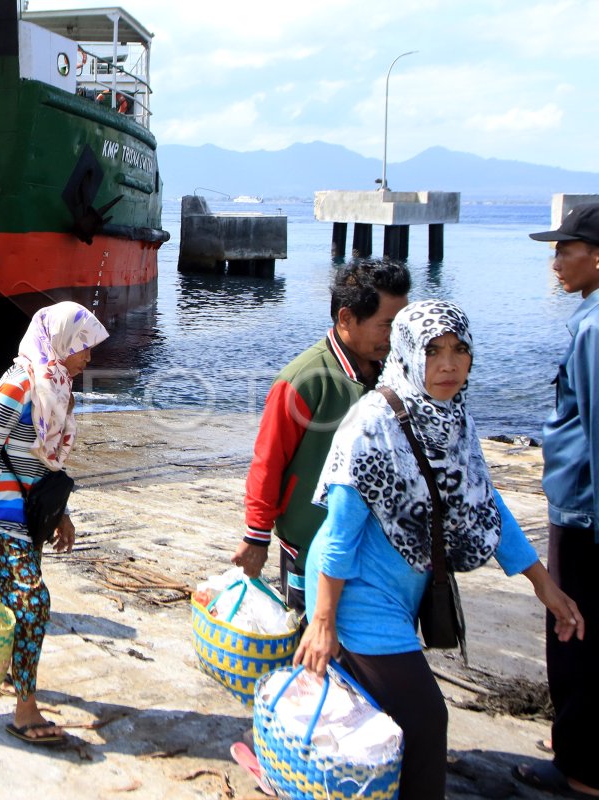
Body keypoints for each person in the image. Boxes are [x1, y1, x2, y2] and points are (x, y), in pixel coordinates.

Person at [294, 300, 583, 800]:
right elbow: (338, 533)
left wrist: (545, 587)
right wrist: (323, 622)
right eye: (432, 352)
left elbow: (485, 504)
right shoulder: (372, 424)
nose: (448, 365)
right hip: (355, 589)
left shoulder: (453, 420)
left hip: (403, 588)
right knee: (426, 719)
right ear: (406, 354)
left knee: (374, 720)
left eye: (459, 350)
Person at [0, 301, 109, 745]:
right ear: (63, 342)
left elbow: (47, 462)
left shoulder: (58, 388)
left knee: (14, 597)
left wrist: (61, 514)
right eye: (84, 348)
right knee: (34, 600)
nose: (88, 358)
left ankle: (8, 671)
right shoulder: (15, 388)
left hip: (33, 512)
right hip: (1, 514)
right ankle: (25, 708)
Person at [235, 260, 410, 612]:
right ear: (346, 318)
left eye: (403, 325)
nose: (397, 337)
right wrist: (256, 536)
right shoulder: (303, 380)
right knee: (312, 643)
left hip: (374, 546)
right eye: (388, 326)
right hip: (309, 545)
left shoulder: (397, 374)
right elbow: (268, 462)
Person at [513, 204, 599, 798]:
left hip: (583, 514)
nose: (555, 262)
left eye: (564, 250)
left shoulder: (593, 329)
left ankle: (579, 770)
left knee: (571, 631)